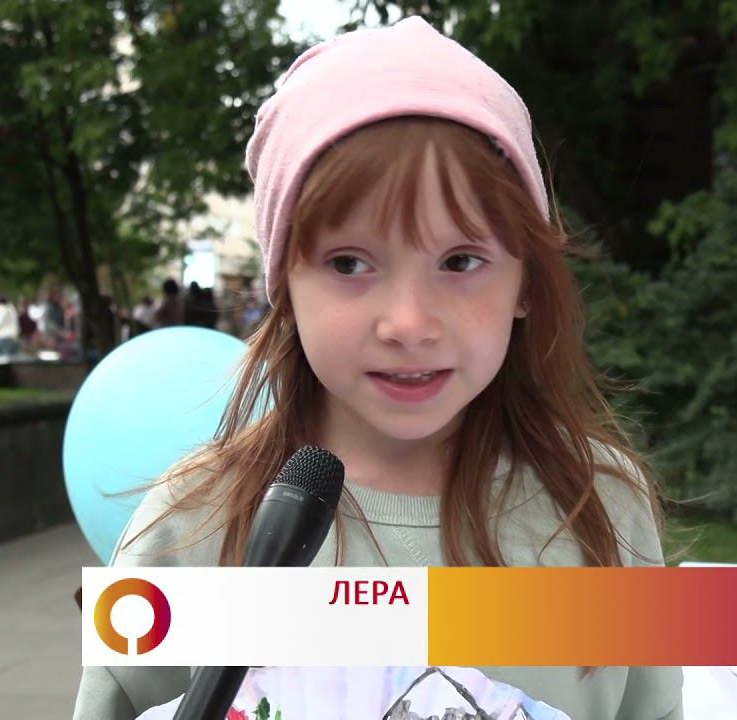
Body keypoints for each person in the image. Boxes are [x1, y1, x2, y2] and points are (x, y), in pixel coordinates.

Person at [72, 17, 681, 720]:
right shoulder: (188, 527)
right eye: (349, 264)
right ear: (284, 286)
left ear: (526, 283)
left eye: (461, 261)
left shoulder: (603, 506)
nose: (408, 323)